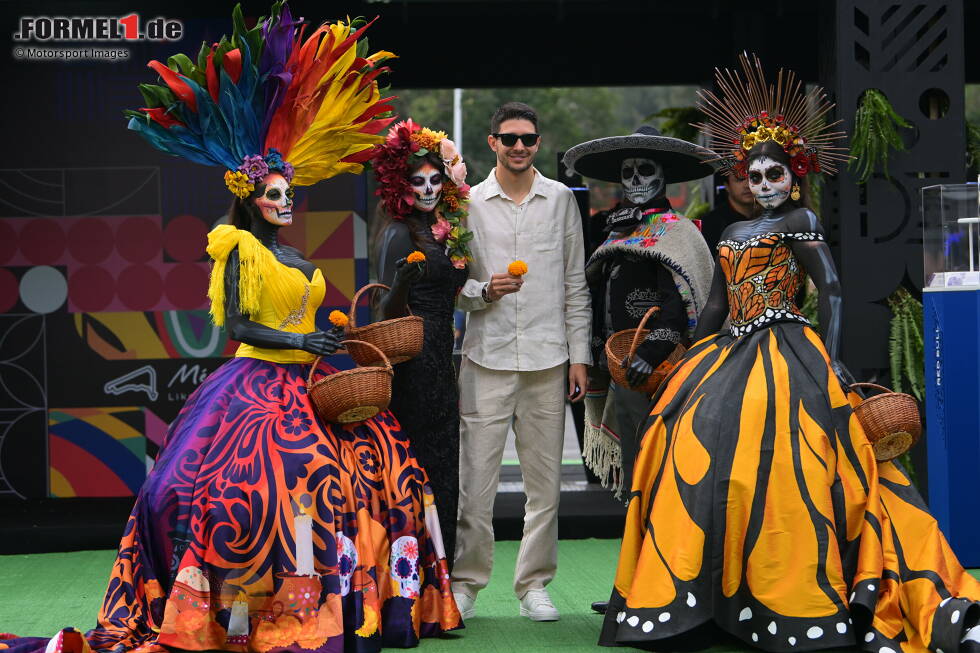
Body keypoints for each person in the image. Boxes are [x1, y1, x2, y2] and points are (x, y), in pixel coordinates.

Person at [0, 9, 461, 653]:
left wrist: (331, 340)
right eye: (274, 194)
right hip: (258, 385)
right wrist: (303, 343)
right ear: (250, 196)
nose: (284, 202)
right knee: (266, 487)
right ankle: (264, 614)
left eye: (288, 192)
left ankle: (378, 609)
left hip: (314, 380)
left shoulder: (297, 257)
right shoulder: (239, 247)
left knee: (389, 470)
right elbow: (241, 323)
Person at [599, 53, 980, 653]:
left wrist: (828, 357)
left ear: (793, 177)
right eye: (755, 176)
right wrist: (691, 357)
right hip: (729, 348)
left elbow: (828, 289)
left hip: (788, 346)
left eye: (774, 174)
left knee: (793, 455)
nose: (764, 185)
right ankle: (703, 587)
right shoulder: (728, 234)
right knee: (688, 442)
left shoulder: (799, 220)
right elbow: (720, 306)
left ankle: (792, 583)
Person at [452, 102, 592, 622]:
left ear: (538, 143)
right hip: (484, 359)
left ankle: (534, 585)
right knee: (476, 485)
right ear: (491, 142)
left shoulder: (560, 200)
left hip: (547, 359)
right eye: (508, 138)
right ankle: (466, 584)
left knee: (545, 486)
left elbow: (575, 284)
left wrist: (580, 356)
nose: (518, 146)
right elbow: (455, 287)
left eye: (528, 139)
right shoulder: (466, 203)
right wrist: (484, 290)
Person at [563, 125, 714, 502]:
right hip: (620, 366)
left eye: (644, 170)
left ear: (662, 175)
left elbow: (681, 302)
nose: (634, 180)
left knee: (663, 457)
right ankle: (639, 538)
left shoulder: (677, 232)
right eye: (627, 172)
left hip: (661, 368)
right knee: (636, 467)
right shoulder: (617, 229)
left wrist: (649, 355)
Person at [369, 120, 472, 571]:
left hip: (441, 360)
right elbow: (380, 313)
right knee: (412, 467)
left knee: (444, 466)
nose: (428, 189)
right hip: (411, 360)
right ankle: (408, 579)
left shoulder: (446, 229)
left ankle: (441, 580)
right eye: (418, 181)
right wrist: (400, 285)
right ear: (402, 185)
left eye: (435, 180)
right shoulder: (397, 231)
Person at [700, 170, 755, 252]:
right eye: (739, 179)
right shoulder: (712, 224)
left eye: (754, 178)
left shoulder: (770, 216)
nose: (747, 185)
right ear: (726, 186)